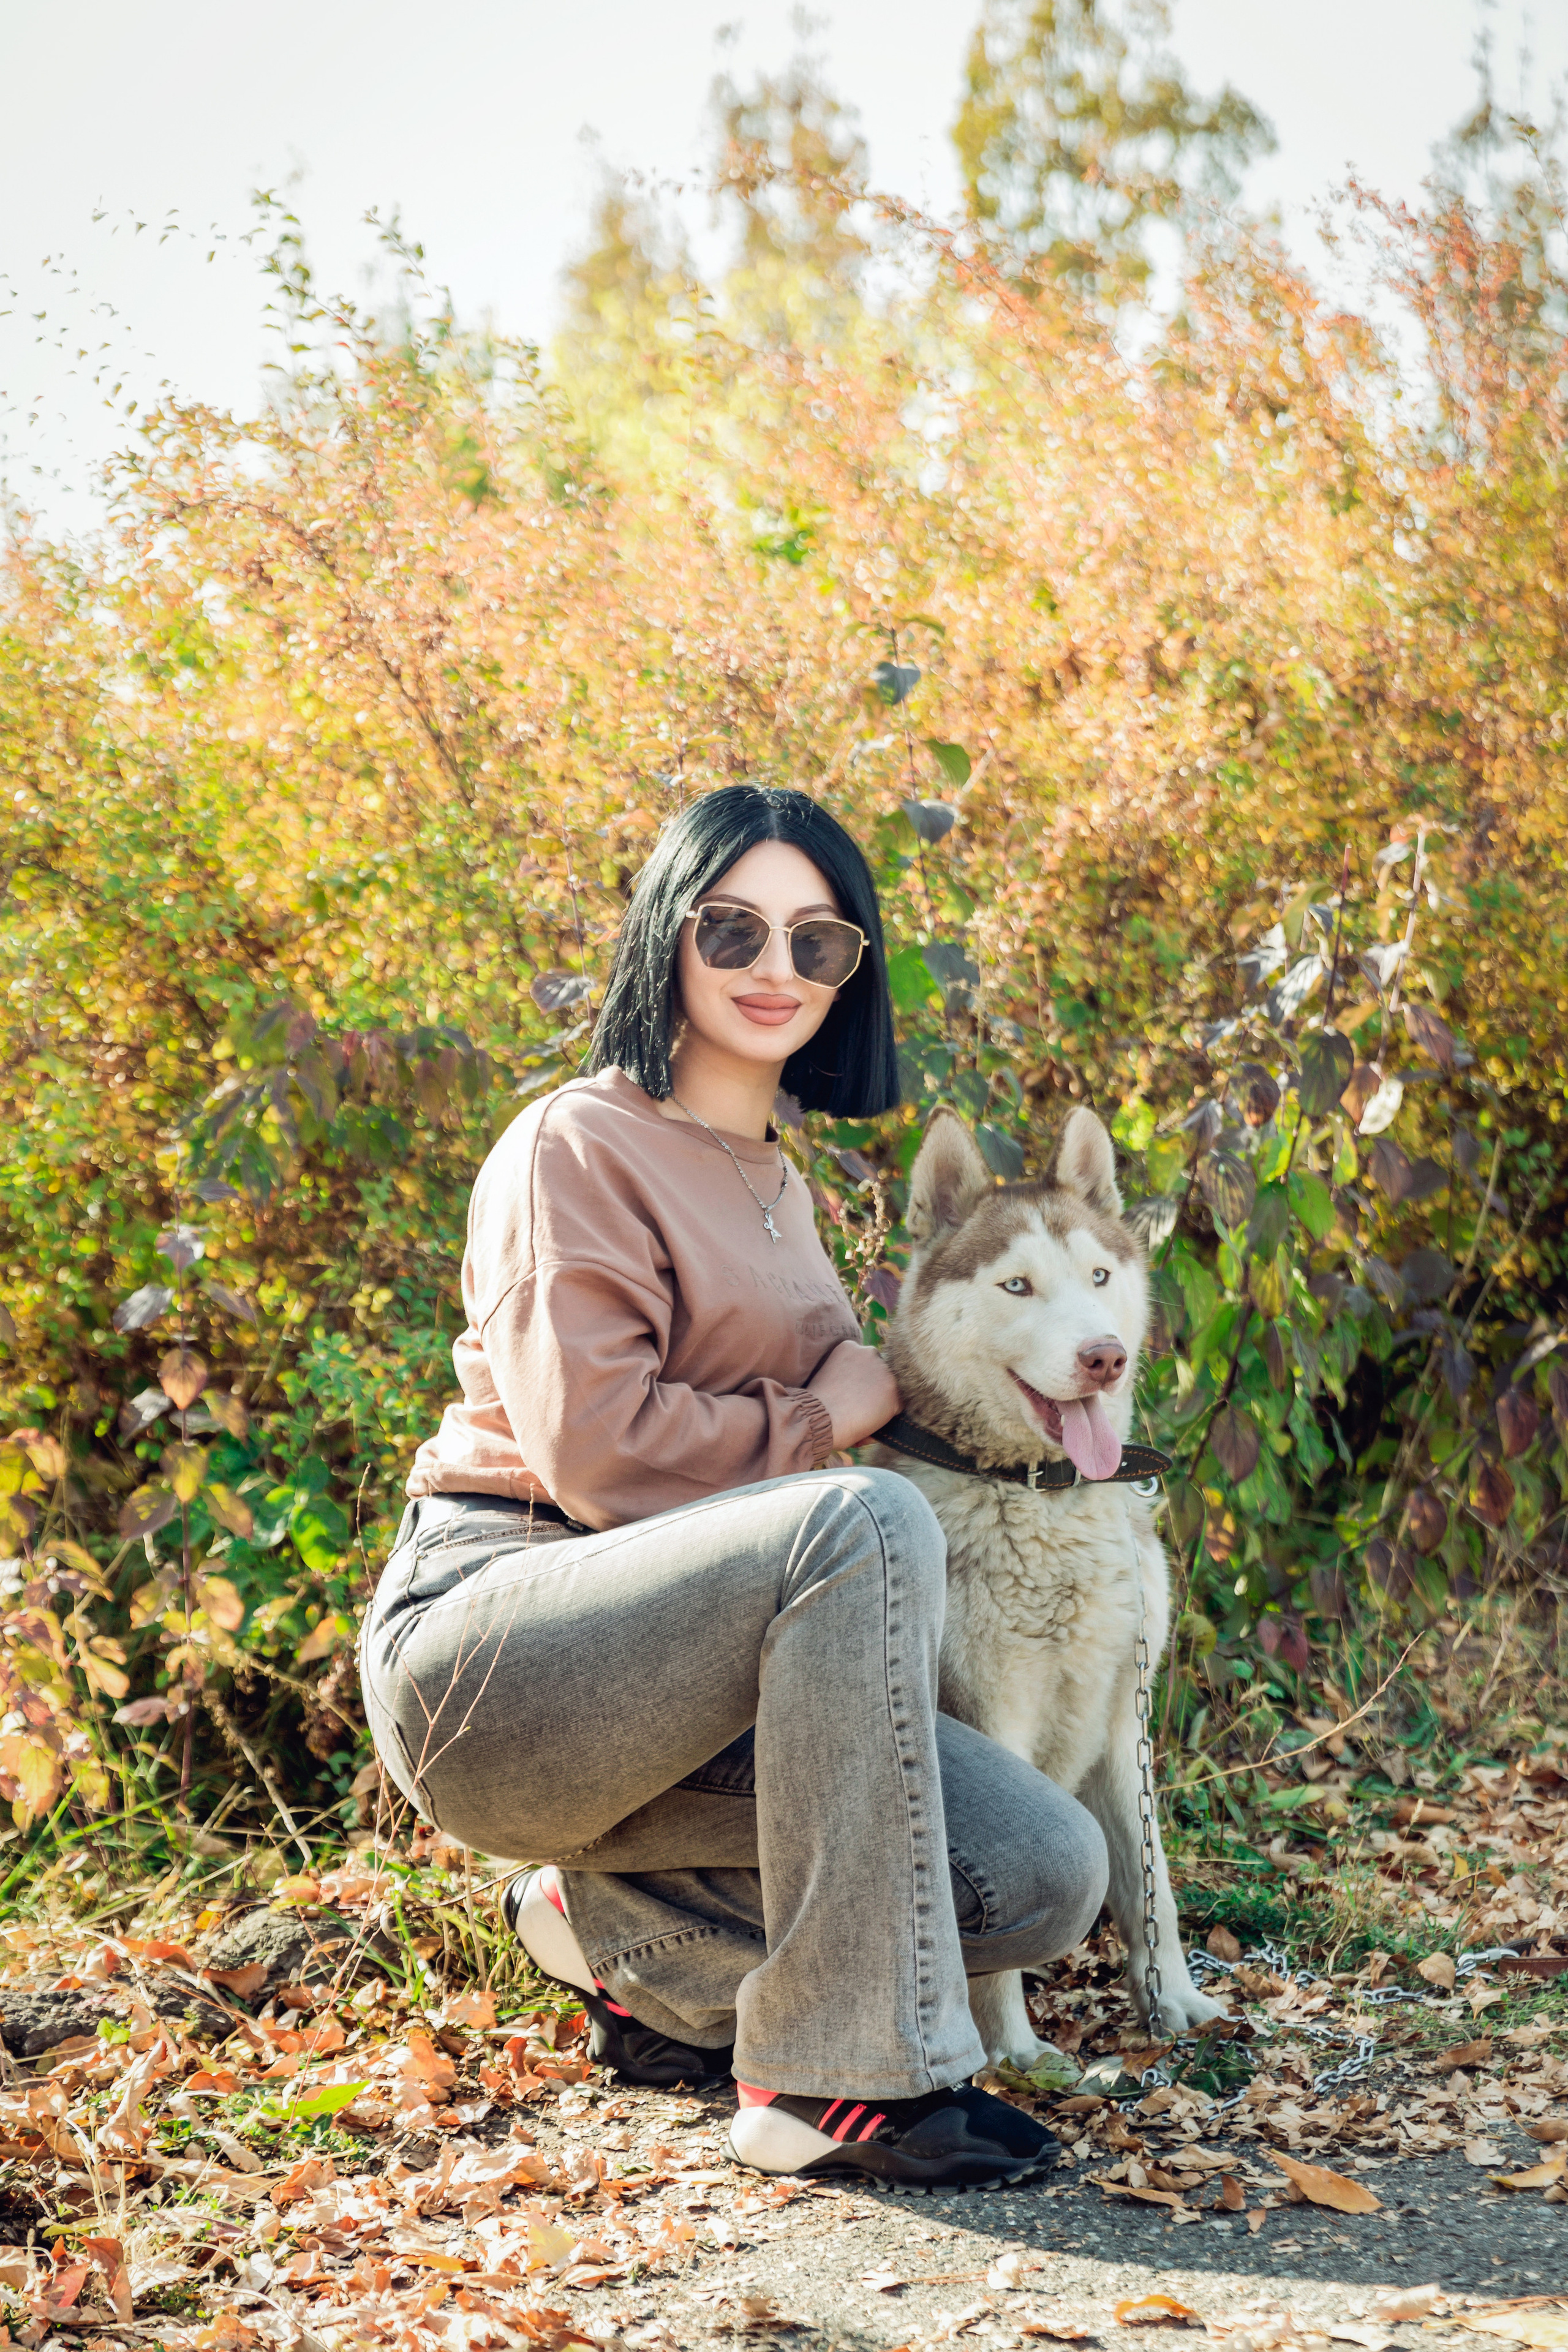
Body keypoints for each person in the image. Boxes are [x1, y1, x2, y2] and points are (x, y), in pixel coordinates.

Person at [360, 784, 1108, 2192]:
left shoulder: (781, 1183)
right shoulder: (569, 1146)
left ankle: (616, 1943)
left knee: (1041, 1871)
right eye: (735, 929)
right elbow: (599, 1454)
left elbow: (868, 1382)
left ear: (849, 976)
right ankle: (823, 2081)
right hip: (499, 1648)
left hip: (704, 1689)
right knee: (860, 1514)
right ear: (667, 935)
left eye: (818, 945)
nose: (777, 970)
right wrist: (821, 1414)